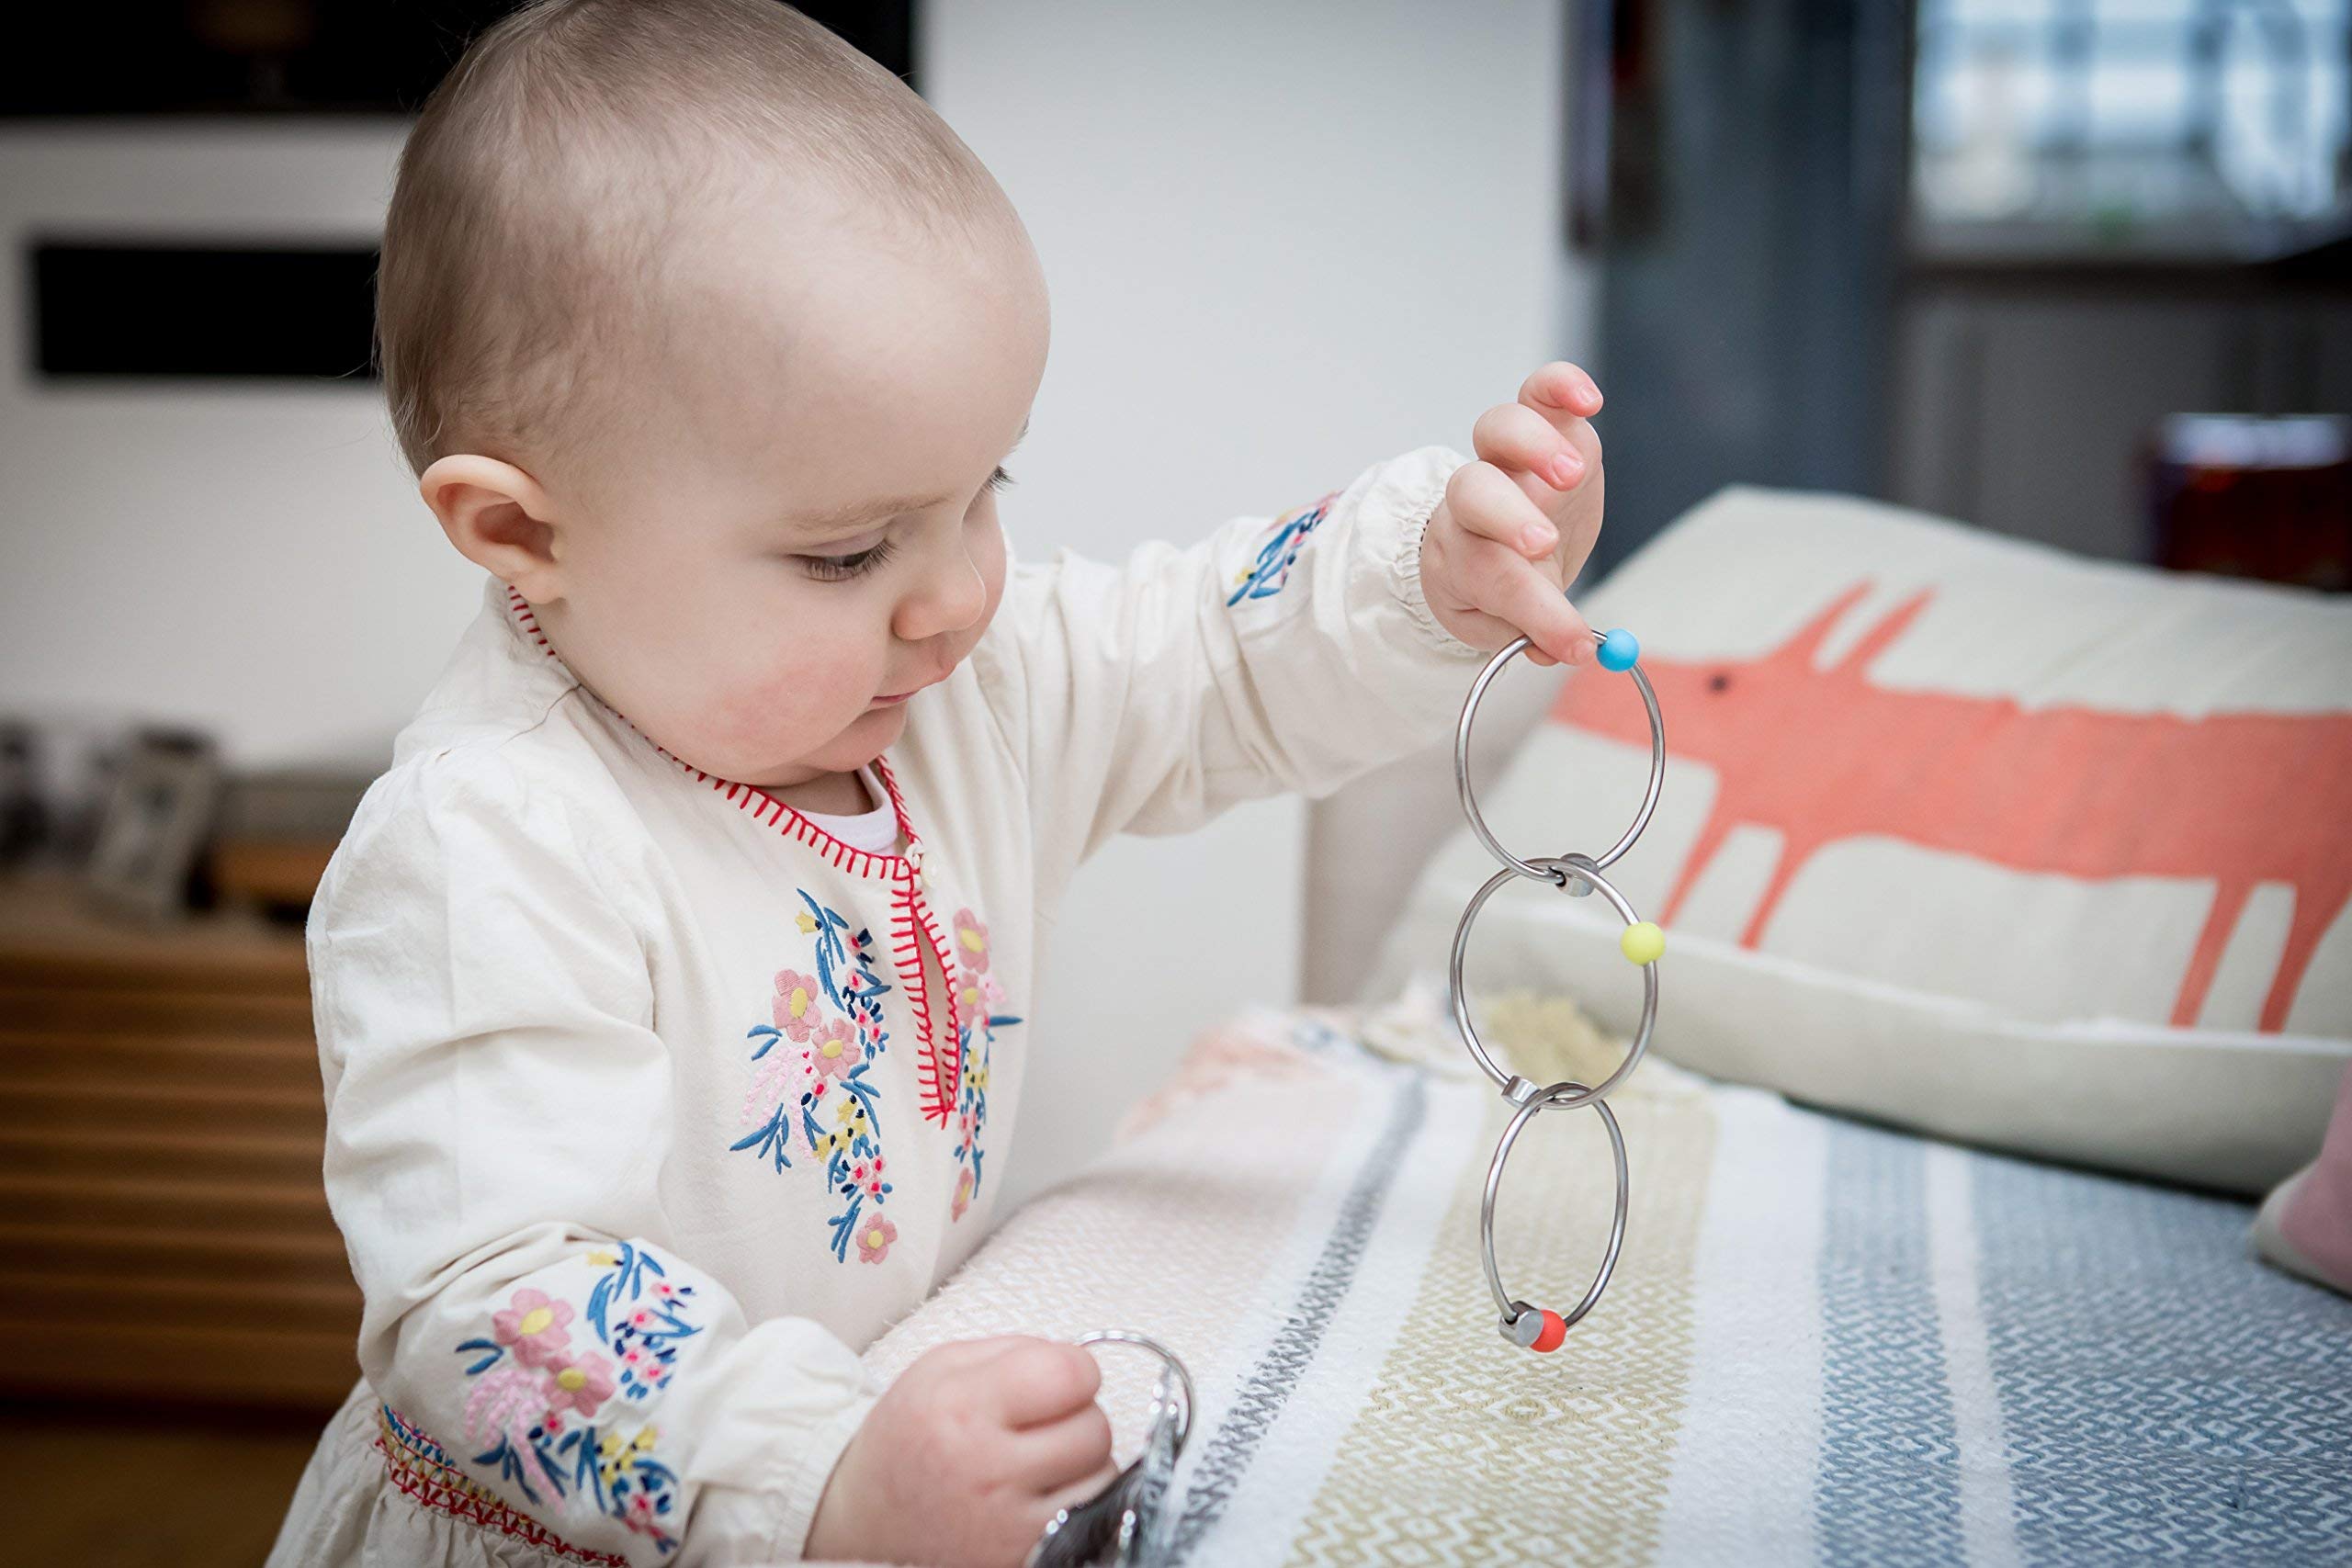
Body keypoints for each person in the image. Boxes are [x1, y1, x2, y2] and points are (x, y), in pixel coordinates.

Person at [269, 2, 1605, 1563]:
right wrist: (811, 1475)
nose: (957, 594)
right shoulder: (490, 843)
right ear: (520, 533)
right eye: (848, 552)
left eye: (986, 490)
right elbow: (494, 1303)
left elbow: (1216, 657)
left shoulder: (972, 689)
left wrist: (1429, 576)